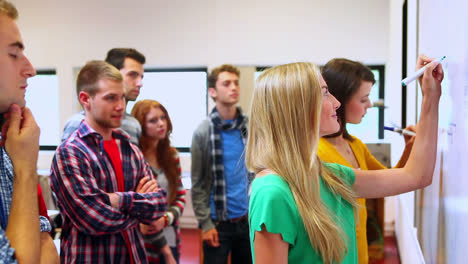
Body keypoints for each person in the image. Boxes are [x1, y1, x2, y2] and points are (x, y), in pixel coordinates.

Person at [246, 56, 443, 264]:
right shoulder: (272, 193)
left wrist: (430, 97)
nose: (336, 103)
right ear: (298, 107)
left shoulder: (333, 176)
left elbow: (416, 176)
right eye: (325, 93)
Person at [50, 60, 167, 263]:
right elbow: (92, 219)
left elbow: (158, 203)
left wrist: (115, 199)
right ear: (85, 99)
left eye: (122, 97)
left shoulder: (129, 149)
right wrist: (138, 211)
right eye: (111, 98)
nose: (120, 106)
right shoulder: (71, 152)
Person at [318, 58, 415, 263]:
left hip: (359, 251)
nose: (370, 105)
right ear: (340, 101)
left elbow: (392, 181)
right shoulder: (317, 154)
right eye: (364, 99)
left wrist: (410, 147)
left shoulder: (355, 145)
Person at [0, 1, 59, 263]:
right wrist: (25, 169)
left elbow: (42, 242)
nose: (30, 70)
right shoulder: (17, 151)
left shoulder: (8, 145)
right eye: (13, 55)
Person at [191, 64, 253, 264]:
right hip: (218, 223)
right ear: (213, 92)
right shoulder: (203, 131)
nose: (233, 87)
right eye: (226, 83)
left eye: (236, 83)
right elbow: (198, 182)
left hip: (248, 220)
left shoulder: (250, 127)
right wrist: (206, 224)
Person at [132, 100, 186, 264]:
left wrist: (166, 218)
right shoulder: (135, 159)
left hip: (171, 235)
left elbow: (180, 196)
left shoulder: (171, 155)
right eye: (153, 120)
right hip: (144, 242)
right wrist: (167, 252)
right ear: (141, 125)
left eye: (163, 118)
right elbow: (144, 211)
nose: (161, 124)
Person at [62, 48, 145, 145]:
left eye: (141, 77)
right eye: (132, 75)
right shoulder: (77, 123)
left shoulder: (133, 125)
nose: (140, 83)